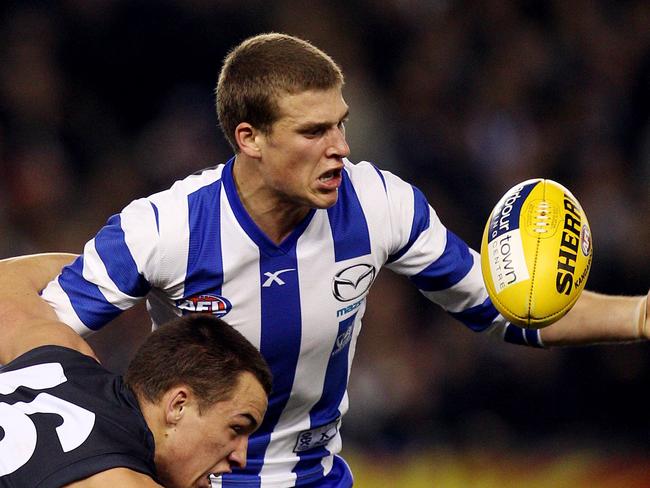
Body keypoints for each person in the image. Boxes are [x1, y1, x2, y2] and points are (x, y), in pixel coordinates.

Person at [6, 33, 648, 487]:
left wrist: (641, 315)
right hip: (200, 481)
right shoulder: (163, 227)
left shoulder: (381, 204)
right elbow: (44, 346)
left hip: (318, 478)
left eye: (340, 123)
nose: (341, 146)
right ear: (248, 139)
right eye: (314, 132)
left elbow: (508, 307)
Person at [0, 254, 271, 488]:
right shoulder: (118, 480)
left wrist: (138, 272)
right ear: (178, 405)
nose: (242, 457)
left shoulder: (56, 356)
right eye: (237, 428)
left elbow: (7, 280)